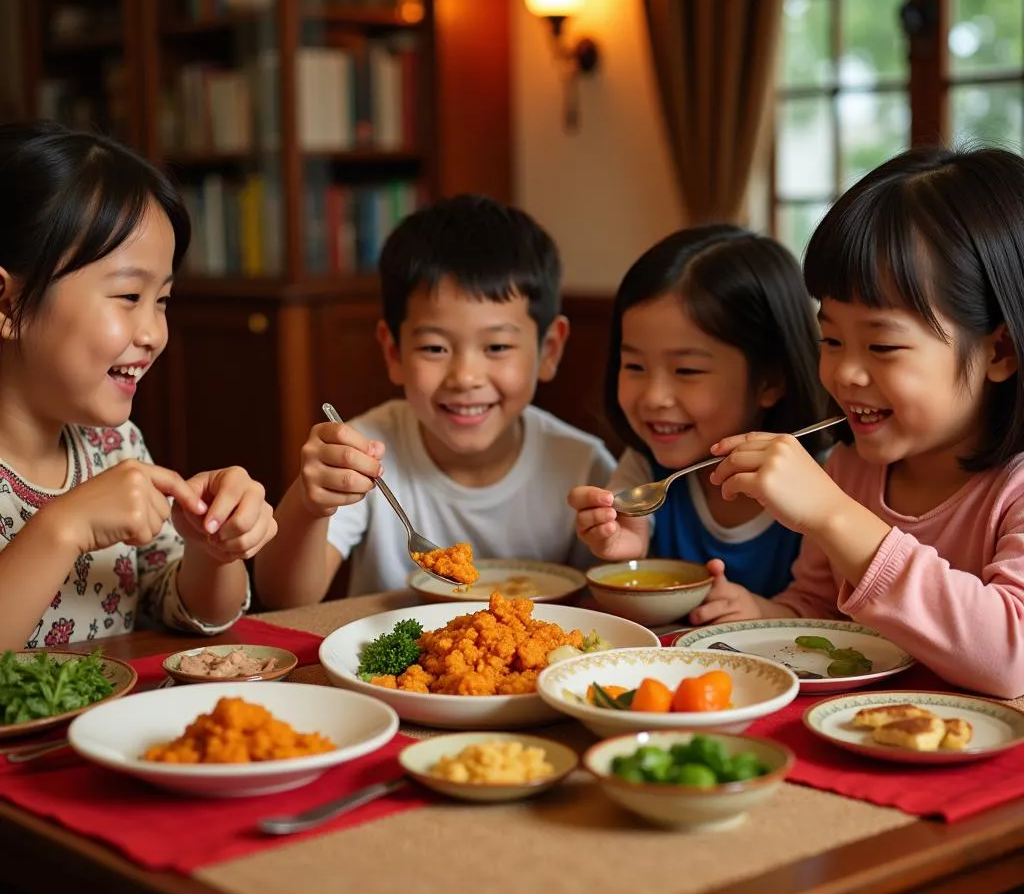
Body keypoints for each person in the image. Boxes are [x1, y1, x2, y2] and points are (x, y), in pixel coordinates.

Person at [700, 146, 1024, 699]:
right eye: (830, 339)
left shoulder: (1012, 489)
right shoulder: (849, 468)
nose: (845, 371)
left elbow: (1009, 658)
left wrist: (834, 516)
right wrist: (759, 612)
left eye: (882, 344)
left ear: (999, 350)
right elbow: (824, 612)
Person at [255, 194, 615, 604]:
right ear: (394, 353)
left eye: (497, 347)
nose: (464, 377)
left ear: (549, 350)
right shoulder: (364, 453)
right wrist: (309, 504)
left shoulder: (583, 465)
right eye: (434, 348)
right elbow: (282, 599)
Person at [0, 121, 277, 651]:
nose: (153, 333)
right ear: (8, 304)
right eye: (128, 296)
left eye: (163, 300)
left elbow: (185, 609)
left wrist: (212, 551)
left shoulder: (114, 447)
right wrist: (64, 528)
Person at [569, 225, 830, 602]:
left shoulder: (825, 476)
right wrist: (621, 544)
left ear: (770, 381)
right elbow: (632, 531)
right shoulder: (644, 467)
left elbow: (833, 612)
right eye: (635, 366)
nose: (654, 398)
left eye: (687, 371)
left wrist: (763, 613)